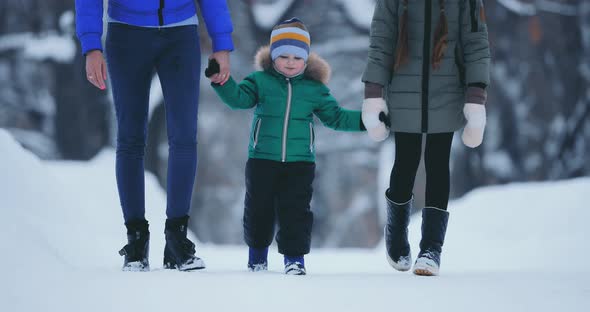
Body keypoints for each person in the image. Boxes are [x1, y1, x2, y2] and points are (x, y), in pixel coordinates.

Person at [75, 0, 234, 271]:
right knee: (130, 138)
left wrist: (222, 42)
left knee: (184, 136)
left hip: (181, 34)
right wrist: (91, 44)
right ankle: (136, 242)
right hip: (126, 32)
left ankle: (177, 241)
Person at [207, 18, 366, 275]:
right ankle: (257, 258)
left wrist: (366, 121)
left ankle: (295, 260)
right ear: (273, 57)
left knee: (296, 213)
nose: (290, 62)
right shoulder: (260, 81)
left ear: (306, 59)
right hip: (262, 160)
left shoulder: (315, 89)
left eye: (297, 57)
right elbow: (238, 99)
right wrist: (221, 81)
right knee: (259, 210)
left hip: (300, 163)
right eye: (283, 56)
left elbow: (336, 117)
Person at [361, 0, 490, 276]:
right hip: (404, 87)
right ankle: (395, 235)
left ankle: (431, 249)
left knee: (438, 162)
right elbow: (382, 38)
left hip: (448, 90)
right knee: (405, 161)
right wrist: (373, 93)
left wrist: (476, 95)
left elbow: (476, 41)